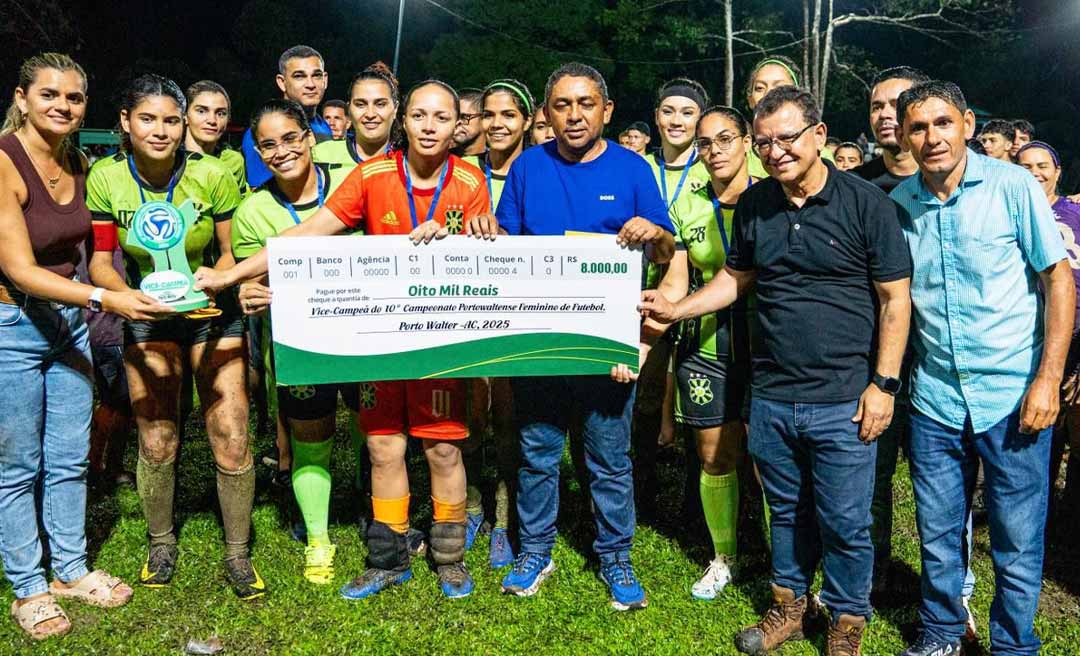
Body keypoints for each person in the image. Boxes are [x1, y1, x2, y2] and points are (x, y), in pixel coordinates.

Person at [194, 79, 498, 600]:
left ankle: (450, 558)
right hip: (379, 338)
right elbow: (307, 235)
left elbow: (487, 253)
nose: (429, 127)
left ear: (458, 126)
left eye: (442, 118)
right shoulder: (371, 174)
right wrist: (229, 276)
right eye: (420, 116)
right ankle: (389, 558)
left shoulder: (470, 179)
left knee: (444, 450)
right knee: (382, 446)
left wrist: (475, 235)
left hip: (441, 343)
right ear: (403, 119)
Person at [641, 86, 912, 654]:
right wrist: (676, 308)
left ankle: (846, 620)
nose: (775, 150)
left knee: (844, 519)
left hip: (844, 396)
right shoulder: (758, 206)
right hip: (772, 392)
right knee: (785, 511)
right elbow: (735, 279)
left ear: (818, 135)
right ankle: (788, 606)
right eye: (764, 142)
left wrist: (883, 385)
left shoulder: (868, 205)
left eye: (787, 137)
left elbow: (894, 300)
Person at [892, 81, 1073, 656]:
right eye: (917, 127)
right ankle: (943, 632)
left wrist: (1048, 378)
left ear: (967, 124)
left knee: (1017, 541)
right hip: (935, 399)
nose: (931, 137)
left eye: (942, 123)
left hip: (1013, 395)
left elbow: (1058, 279)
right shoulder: (898, 205)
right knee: (939, 534)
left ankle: (1013, 645)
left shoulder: (1013, 185)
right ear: (903, 135)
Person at [0, 52, 169, 640]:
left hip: (68, 323)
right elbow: (20, 269)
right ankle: (29, 585)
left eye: (74, 98)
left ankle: (69, 570)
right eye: (49, 95)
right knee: (18, 465)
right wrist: (104, 298)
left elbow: (86, 249)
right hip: (13, 326)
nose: (62, 106)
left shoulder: (78, 161)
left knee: (70, 458)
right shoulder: (3, 162)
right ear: (22, 98)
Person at [495, 62, 675, 611]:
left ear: (607, 110)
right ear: (547, 113)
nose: (574, 115)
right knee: (537, 452)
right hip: (542, 340)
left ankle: (616, 554)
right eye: (563, 105)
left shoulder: (634, 169)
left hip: (606, 345)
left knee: (609, 458)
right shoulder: (528, 167)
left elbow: (667, 253)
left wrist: (657, 234)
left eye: (586, 104)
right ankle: (536, 550)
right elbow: (506, 239)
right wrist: (488, 232)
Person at [85, 74, 262, 600]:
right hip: (148, 314)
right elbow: (100, 263)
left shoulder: (212, 173)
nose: (160, 131)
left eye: (170, 120)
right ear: (125, 122)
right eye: (147, 119)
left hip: (212, 313)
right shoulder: (105, 178)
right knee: (158, 438)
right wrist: (127, 297)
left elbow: (229, 254)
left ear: (182, 124)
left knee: (230, 434)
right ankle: (160, 543)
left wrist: (220, 277)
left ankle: (238, 552)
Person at [230, 99, 358, 584]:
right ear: (259, 153)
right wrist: (248, 291)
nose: (281, 151)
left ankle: (379, 523)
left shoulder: (351, 186)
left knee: (376, 440)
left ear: (310, 136)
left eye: (289, 138)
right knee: (312, 443)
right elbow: (246, 282)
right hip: (300, 350)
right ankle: (319, 540)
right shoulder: (253, 211)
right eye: (268, 144)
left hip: (365, 341)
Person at [648, 105, 756, 600]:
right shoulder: (688, 201)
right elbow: (678, 273)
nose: (715, 152)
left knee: (770, 461)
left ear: (748, 140)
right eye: (706, 143)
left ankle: (785, 561)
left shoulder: (771, 194)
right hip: (706, 342)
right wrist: (665, 310)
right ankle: (724, 556)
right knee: (714, 455)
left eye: (725, 140)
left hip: (766, 346)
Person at [458, 78, 536, 569]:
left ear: (527, 120)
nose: (498, 124)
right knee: (468, 416)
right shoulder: (461, 172)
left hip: (518, 312)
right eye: (489, 114)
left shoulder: (540, 170)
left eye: (509, 114)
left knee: (510, 418)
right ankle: (467, 508)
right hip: (464, 310)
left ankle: (505, 520)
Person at [638, 77, 712, 519]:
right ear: (656, 117)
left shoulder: (713, 166)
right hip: (645, 293)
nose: (677, 120)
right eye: (669, 111)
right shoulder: (637, 166)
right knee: (645, 398)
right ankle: (641, 491)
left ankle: (694, 500)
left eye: (687, 112)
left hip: (699, 296)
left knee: (697, 398)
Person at [1017, 141, 1080, 526]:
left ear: (1058, 172)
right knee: (1040, 429)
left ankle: (1069, 519)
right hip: (1028, 338)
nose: (1035, 172)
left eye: (1042, 165)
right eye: (1025, 166)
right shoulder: (1009, 212)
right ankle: (1036, 514)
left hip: (1074, 337)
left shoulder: (1074, 212)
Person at [241, 45, 332, 189]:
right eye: (299, 76)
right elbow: (262, 195)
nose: (311, 84)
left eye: (316, 75)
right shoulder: (262, 133)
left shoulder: (324, 126)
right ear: (282, 82)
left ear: (325, 80)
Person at [744, 55, 833, 178]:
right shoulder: (736, 156)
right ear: (750, 99)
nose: (769, 93)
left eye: (779, 87)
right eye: (760, 88)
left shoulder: (820, 154)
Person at [313, 63, 399, 168]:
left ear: (395, 109)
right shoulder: (320, 155)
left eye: (380, 104)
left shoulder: (409, 163)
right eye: (360, 105)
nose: (370, 114)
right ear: (349, 109)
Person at [184, 80, 248, 195]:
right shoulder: (169, 159)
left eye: (221, 113)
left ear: (228, 119)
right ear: (185, 115)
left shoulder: (233, 161)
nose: (212, 121)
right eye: (201, 111)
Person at [453, 87, 485, 157]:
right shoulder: (440, 160)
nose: (457, 122)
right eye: (454, 117)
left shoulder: (497, 163)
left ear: (484, 119)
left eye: (464, 117)